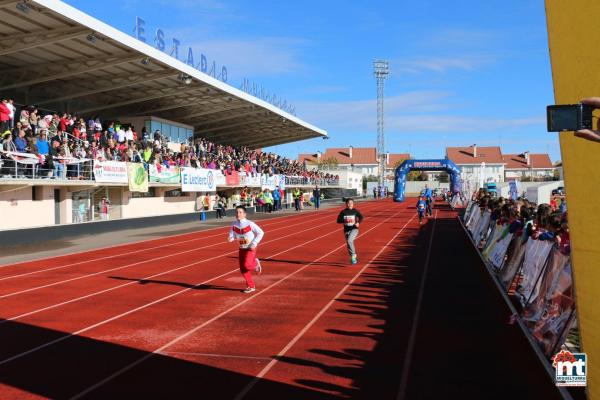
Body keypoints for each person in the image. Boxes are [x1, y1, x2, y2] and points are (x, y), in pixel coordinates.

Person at [228, 205, 264, 293]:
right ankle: (251, 287)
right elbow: (232, 235)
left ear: (244, 214)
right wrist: (231, 238)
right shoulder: (233, 224)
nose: (238, 214)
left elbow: (261, 232)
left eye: (240, 212)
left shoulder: (250, 223)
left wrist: (254, 243)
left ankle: (255, 263)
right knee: (243, 269)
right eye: (236, 212)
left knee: (247, 265)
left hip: (250, 248)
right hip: (241, 248)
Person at [336, 198, 364, 265]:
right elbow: (338, 220)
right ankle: (353, 256)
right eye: (348, 203)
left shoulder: (355, 211)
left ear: (353, 204)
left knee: (349, 241)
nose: (350, 204)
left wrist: (358, 223)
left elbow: (361, 217)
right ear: (346, 204)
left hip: (354, 229)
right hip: (346, 230)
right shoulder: (343, 212)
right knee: (348, 244)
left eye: (351, 203)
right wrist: (345, 220)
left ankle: (353, 255)